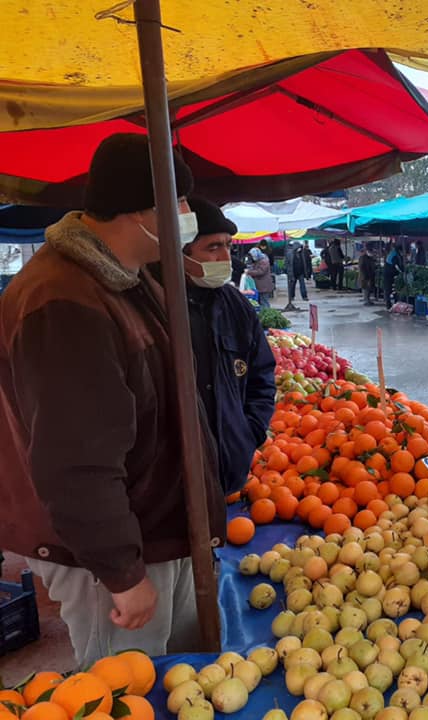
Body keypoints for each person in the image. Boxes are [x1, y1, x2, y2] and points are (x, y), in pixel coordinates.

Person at [0, 133, 225, 665]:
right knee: (127, 685)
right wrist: (121, 572)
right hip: (110, 550)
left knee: (178, 680)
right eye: (179, 202)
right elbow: (75, 459)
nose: (187, 215)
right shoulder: (64, 302)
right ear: (137, 211)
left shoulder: (124, 278)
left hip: (153, 528)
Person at [183, 197, 276, 494]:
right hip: (175, 480)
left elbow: (262, 373)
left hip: (229, 468)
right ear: (181, 253)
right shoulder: (160, 307)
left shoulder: (235, 305)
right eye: (213, 247)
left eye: (227, 245)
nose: (226, 257)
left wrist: (250, 431)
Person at [283, 240, 312, 311]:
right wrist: (288, 272)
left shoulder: (302, 253)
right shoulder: (290, 253)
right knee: (292, 285)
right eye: (299, 247)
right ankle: (292, 296)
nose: (300, 248)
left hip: (300, 272)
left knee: (302, 284)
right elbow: (287, 264)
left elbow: (305, 262)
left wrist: (306, 272)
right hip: (293, 272)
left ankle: (304, 296)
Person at [383, 240, 404, 310]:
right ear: (400, 250)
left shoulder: (395, 253)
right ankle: (388, 305)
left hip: (390, 272)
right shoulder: (394, 255)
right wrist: (403, 271)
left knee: (392, 289)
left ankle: (394, 303)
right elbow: (397, 265)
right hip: (388, 273)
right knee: (388, 289)